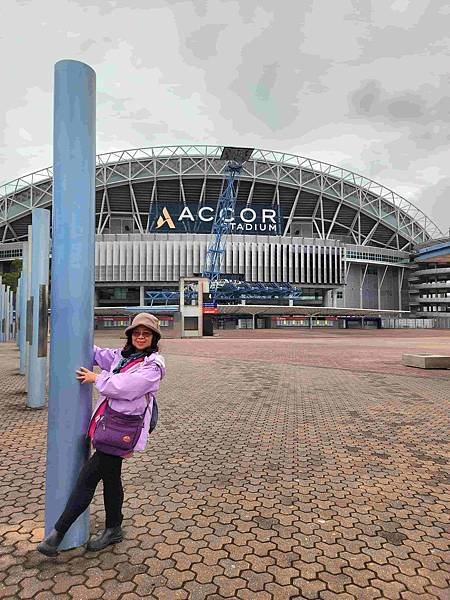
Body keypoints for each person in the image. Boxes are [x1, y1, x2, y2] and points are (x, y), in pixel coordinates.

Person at [38, 313, 165, 556]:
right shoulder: (122, 357)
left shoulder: (153, 366)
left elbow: (127, 387)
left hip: (121, 430)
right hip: (110, 426)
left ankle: (57, 535)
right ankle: (113, 528)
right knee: (111, 478)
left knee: (88, 479)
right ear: (130, 335)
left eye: (146, 333)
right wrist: (70, 332)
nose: (140, 336)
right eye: (136, 332)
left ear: (154, 338)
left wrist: (97, 377)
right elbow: (97, 353)